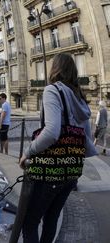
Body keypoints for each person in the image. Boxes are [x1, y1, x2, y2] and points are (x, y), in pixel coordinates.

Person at [19, 53, 97, 243]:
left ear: (55, 69)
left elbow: (52, 132)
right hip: (71, 172)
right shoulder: (80, 97)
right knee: (51, 218)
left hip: (50, 172)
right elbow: (85, 139)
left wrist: (27, 152)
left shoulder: (52, 90)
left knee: (29, 223)